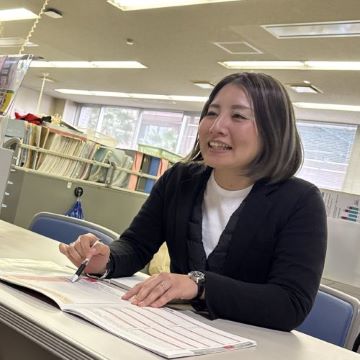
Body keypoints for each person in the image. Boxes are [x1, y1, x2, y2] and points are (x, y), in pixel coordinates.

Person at [60, 72, 327, 332]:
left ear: (273, 130)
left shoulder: (300, 201)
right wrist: (106, 261)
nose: (216, 126)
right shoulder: (179, 179)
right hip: (172, 332)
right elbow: (136, 244)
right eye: (211, 113)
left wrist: (199, 285)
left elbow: (290, 304)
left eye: (238, 116)